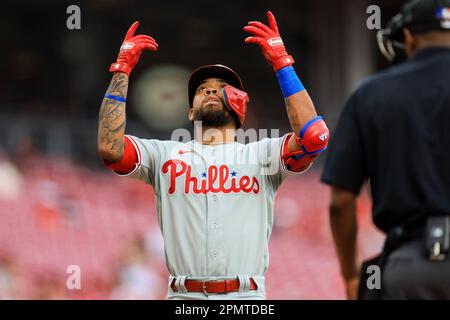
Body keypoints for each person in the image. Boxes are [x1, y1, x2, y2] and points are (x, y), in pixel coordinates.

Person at [98, 11, 329, 300]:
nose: (209, 89)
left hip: (246, 298)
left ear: (238, 107)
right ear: (191, 112)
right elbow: (110, 149)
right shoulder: (164, 153)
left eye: (221, 88)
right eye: (201, 89)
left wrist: (284, 64)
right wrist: (121, 71)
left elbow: (314, 137)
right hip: (184, 298)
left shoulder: (261, 153)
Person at [321, 0, 450, 299]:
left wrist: (351, 275)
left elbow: (341, 201)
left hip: (413, 269)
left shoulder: (372, 93)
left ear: (408, 38)